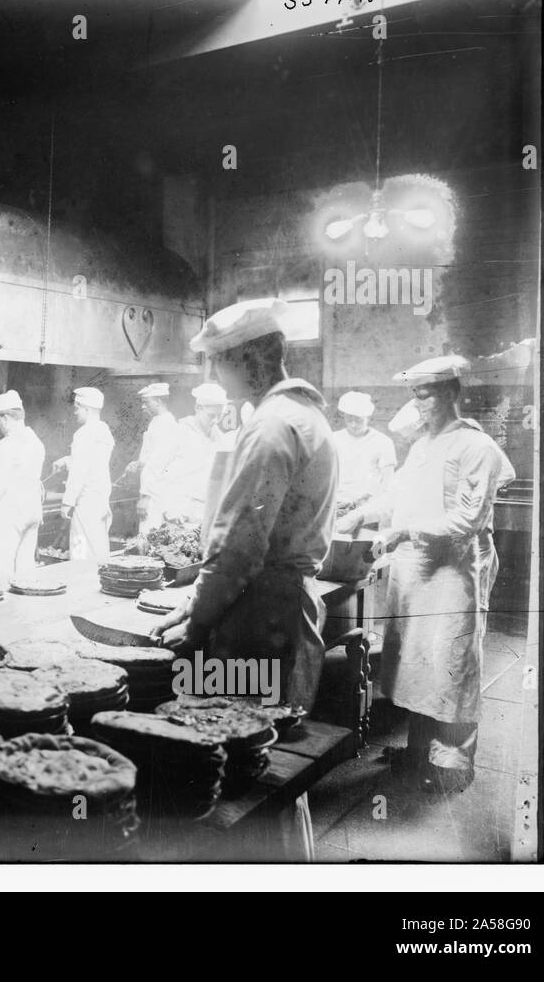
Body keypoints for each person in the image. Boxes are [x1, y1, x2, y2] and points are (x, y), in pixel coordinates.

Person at [149, 297, 337, 861]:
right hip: (284, 605)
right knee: (268, 762)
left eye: (219, 362)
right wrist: (194, 602)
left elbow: (237, 549)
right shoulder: (306, 417)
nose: (214, 375)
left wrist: (200, 619)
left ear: (252, 360)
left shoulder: (272, 425)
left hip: (260, 617)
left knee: (240, 762)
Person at [337, 356, 513, 795]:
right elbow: (395, 496)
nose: (418, 404)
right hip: (415, 573)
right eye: (414, 394)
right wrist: (356, 515)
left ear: (452, 392)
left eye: (426, 394)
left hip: (452, 573)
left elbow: (466, 522)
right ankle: (418, 754)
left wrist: (403, 532)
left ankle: (453, 765)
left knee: (452, 665)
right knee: (417, 667)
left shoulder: (477, 447)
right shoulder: (423, 446)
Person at [0, 390, 46, 581]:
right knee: (25, 571)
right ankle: (25, 610)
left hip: (10, 512)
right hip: (32, 511)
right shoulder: (36, 442)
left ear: (6, 417)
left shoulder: (5, 446)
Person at [54, 387, 114, 561]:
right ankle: (98, 582)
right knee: (98, 547)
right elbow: (92, 462)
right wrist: (67, 460)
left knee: (80, 550)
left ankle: (80, 581)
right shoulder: (103, 430)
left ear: (87, 409)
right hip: (100, 500)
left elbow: (79, 472)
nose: (75, 413)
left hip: (85, 503)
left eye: (76, 408)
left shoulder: (83, 433)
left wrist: (67, 502)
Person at [331, 390, 396, 524]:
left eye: (359, 420)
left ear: (369, 417)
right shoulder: (334, 439)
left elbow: (387, 483)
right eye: (349, 419)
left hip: (367, 510)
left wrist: (369, 505)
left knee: (363, 544)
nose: (353, 424)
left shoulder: (383, 442)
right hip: (336, 506)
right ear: (343, 416)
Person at [124, 382, 181, 533]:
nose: (143, 407)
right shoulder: (157, 422)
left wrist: (145, 497)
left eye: (146, 402)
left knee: (150, 535)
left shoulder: (167, 424)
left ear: (159, 401)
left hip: (157, 494)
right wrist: (139, 463)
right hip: (153, 489)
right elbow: (150, 458)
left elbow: (156, 465)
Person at [168, 382, 229, 521]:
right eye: (211, 415)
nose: (215, 420)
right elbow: (158, 471)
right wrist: (170, 509)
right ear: (198, 408)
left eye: (220, 416)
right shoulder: (179, 431)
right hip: (180, 508)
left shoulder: (218, 436)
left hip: (206, 509)